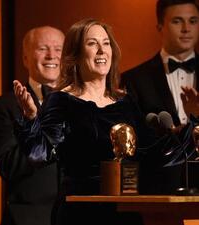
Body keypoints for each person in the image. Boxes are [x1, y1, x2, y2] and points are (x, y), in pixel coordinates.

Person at [13, 18, 157, 225]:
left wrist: (190, 129)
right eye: (92, 43)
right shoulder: (62, 100)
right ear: (76, 55)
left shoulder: (125, 101)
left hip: (125, 212)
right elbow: (40, 154)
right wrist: (30, 117)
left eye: (106, 43)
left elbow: (152, 151)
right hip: (81, 213)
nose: (101, 50)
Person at [0, 26, 64, 225]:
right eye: (43, 49)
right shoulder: (7, 105)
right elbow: (8, 166)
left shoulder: (80, 101)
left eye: (58, 49)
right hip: (28, 218)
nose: (52, 56)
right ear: (25, 58)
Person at [120, 0, 199, 126]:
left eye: (193, 21)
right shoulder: (132, 80)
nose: (186, 29)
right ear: (160, 27)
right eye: (177, 21)